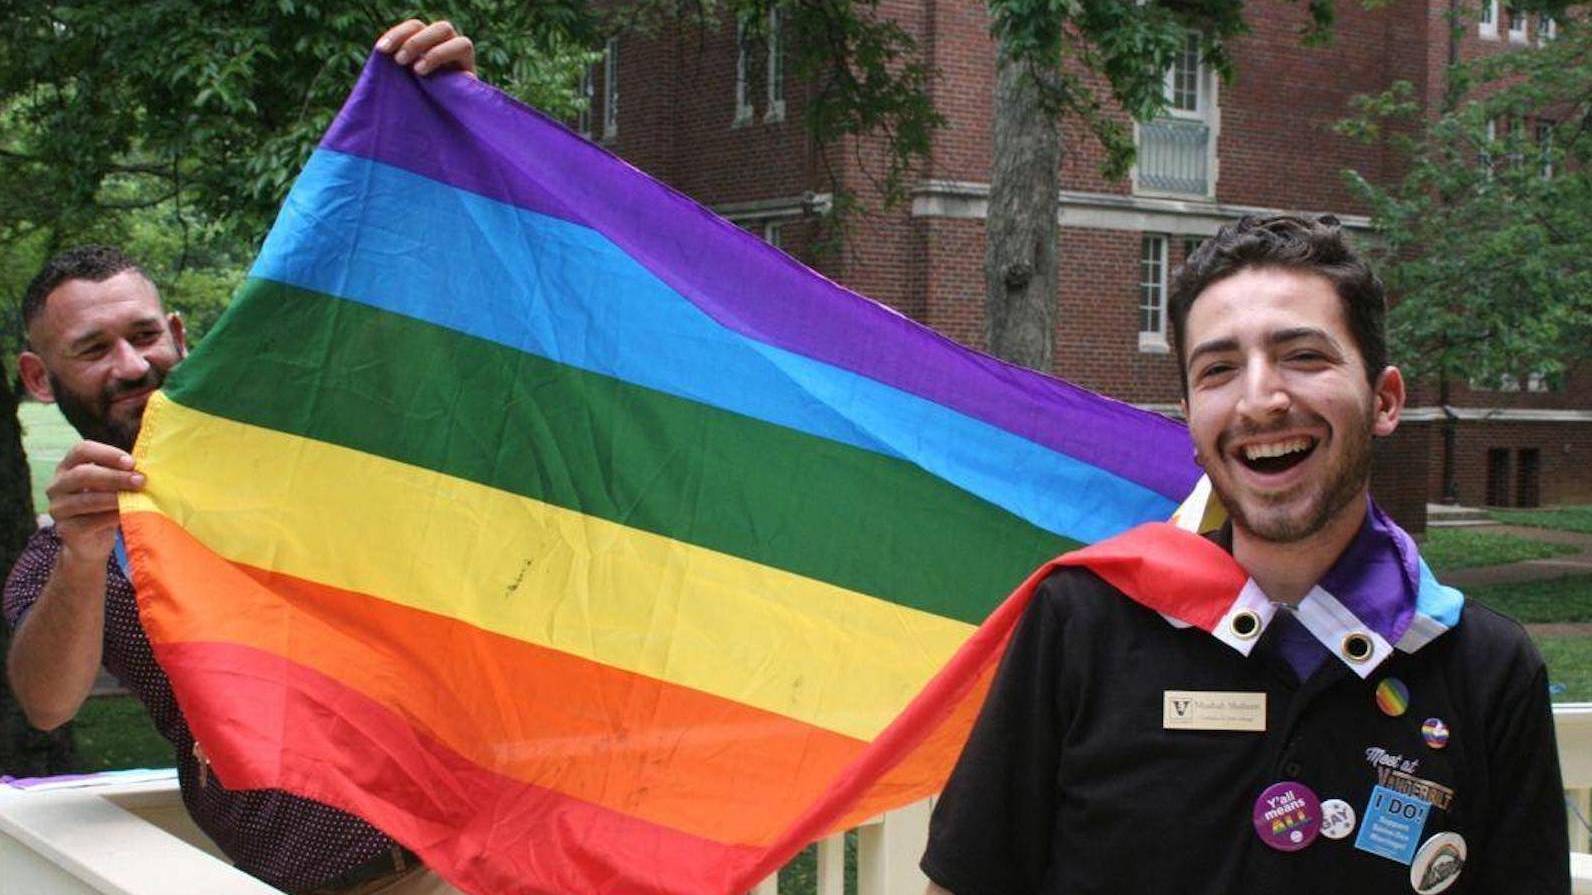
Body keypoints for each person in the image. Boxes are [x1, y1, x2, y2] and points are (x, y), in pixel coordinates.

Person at [920, 215, 1568, 894]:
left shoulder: (1487, 670)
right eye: (1220, 369)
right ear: (1192, 419)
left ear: (1385, 399)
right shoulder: (1082, 623)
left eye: (1304, 356)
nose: (1259, 399)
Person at [4, 21, 477, 895]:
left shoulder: (300, 438)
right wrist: (78, 553)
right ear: (40, 376)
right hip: (345, 880)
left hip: (488, 844)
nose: (131, 363)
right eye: (92, 347)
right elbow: (47, 702)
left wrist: (449, 129)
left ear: (178, 334)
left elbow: (409, 317)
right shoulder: (69, 549)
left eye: (145, 334)